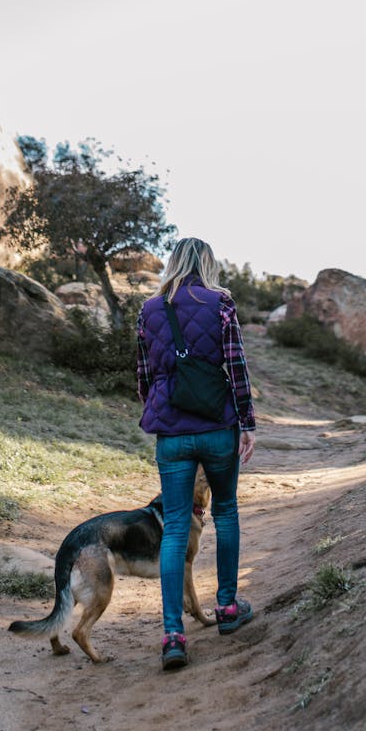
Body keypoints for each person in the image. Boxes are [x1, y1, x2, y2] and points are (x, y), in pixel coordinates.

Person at [136, 236, 256, 671]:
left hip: (172, 430)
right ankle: (227, 608)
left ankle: (172, 634)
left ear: (172, 263)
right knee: (225, 513)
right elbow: (236, 365)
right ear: (206, 264)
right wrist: (247, 422)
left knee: (172, 531)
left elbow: (145, 374)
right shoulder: (221, 303)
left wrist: (160, 410)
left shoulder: (150, 309)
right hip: (217, 424)